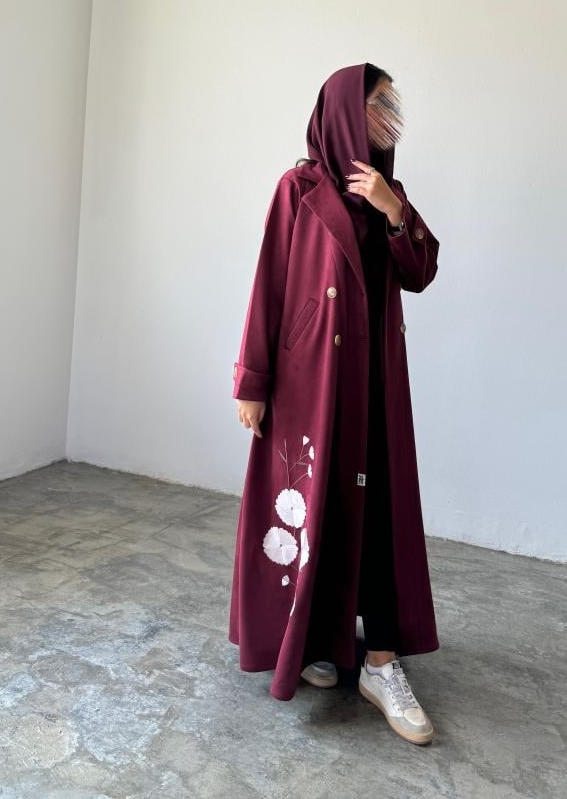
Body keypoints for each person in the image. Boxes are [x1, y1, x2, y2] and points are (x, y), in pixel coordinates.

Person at [230, 63, 440, 745]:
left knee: (377, 514)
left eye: (392, 105)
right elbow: (269, 284)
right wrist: (252, 380)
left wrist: (393, 211)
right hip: (309, 387)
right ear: (345, 111)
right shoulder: (298, 189)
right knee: (315, 507)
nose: (387, 117)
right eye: (377, 104)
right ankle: (320, 640)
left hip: (375, 383)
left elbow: (421, 272)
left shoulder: (388, 193)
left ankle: (381, 662)